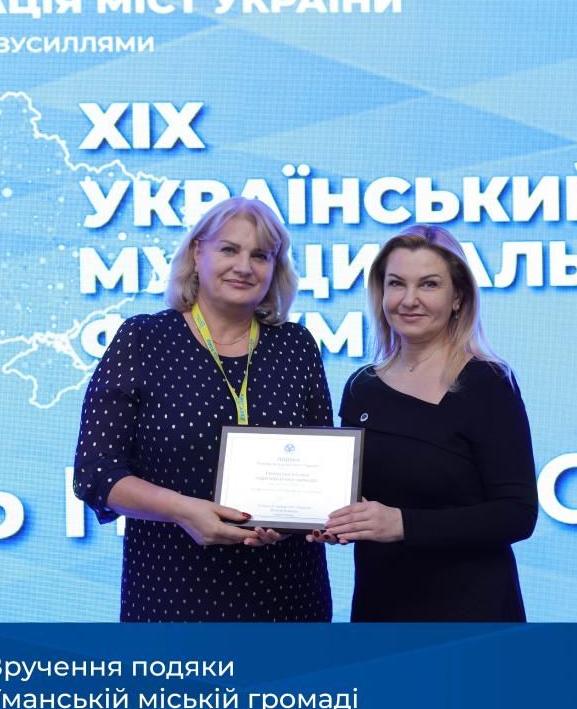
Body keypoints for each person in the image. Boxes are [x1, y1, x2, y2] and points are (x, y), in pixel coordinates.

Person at [73, 197, 333, 622]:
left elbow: (322, 469)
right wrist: (184, 511)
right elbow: (96, 473)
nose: (244, 267)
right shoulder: (144, 339)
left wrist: (307, 517)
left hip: (289, 596)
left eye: (260, 256)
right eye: (229, 249)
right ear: (197, 253)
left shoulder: (296, 346)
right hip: (173, 594)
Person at [314, 225, 537, 621]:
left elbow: (517, 514)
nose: (409, 300)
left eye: (429, 284)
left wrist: (402, 524)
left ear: (458, 297)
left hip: (470, 615)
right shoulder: (362, 387)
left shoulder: (488, 383)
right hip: (381, 610)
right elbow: (357, 498)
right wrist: (331, 520)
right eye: (396, 284)